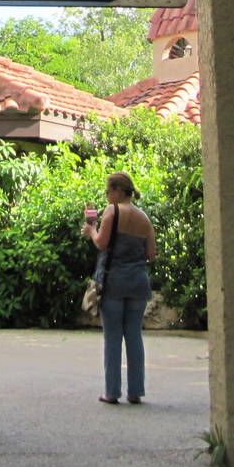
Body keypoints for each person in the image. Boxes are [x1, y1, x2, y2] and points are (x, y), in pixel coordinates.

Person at [83, 170, 157, 404]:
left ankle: (112, 392)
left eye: (107, 191)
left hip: (114, 281)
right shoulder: (144, 217)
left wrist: (91, 230)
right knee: (134, 336)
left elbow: (101, 243)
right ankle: (136, 391)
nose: (106, 196)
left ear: (117, 190)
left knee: (113, 337)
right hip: (138, 282)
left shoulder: (112, 211)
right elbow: (151, 254)